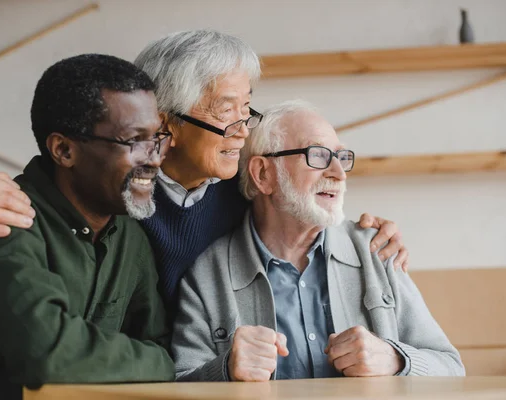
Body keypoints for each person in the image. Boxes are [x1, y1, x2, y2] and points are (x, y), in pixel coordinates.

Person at [0, 30, 409, 310]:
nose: (242, 129)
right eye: (224, 110)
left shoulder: (244, 190)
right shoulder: (107, 189)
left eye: (248, 108)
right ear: (166, 124)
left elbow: (309, 224)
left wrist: (370, 234)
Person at [0, 54, 175, 400]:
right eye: (134, 140)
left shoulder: (130, 234)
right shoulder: (4, 217)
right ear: (63, 150)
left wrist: (156, 360)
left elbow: (161, 348)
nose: (154, 157)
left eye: (157, 138)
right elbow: (47, 353)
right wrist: (154, 362)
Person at [171, 100, 465, 382]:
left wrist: (396, 360)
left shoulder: (378, 249)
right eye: (318, 155)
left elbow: (452, 368)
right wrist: (224, 370)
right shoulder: (207, 273)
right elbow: (179, 382)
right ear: (263, 174)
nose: (338, 173)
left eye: (341, 157)